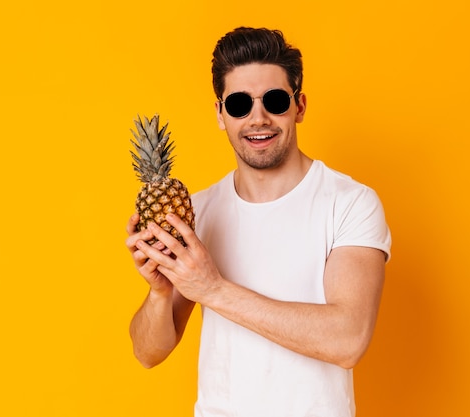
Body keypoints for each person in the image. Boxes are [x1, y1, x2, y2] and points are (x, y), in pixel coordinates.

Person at [126, 26, 392, 417]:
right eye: (238, 104)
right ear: (220, 114)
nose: (258, 118)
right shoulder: (198, 210)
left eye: (275, 100)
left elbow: (348, 340)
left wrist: (213, 290)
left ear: (299, 106)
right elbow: (148, 353)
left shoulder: (350, 203)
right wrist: (160, 292)